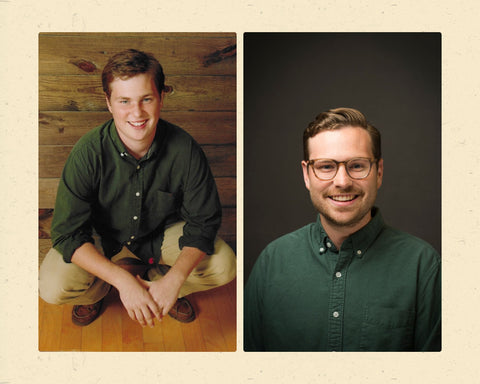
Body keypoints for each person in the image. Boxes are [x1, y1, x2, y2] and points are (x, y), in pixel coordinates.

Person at [39, 49, 236, 327]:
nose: (137, 112)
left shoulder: (185, 148)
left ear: (161, 98)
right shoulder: (87, 152)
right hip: (101, 239)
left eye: (146, 99)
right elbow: (67, 233)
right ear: (108, 103)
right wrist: (121, 280)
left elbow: (204, 223)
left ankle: (159, 284)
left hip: (160, 235)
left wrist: (174, 280)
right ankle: (99, 291)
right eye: (124, 101)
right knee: (52, 286)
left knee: (225, 265)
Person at [244, 107, 440, 351]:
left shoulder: (423, 266)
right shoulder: (272, 261)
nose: (343, 181)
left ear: (378, 172)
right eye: (326, 166)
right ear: (307, 175)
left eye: (357, 165)